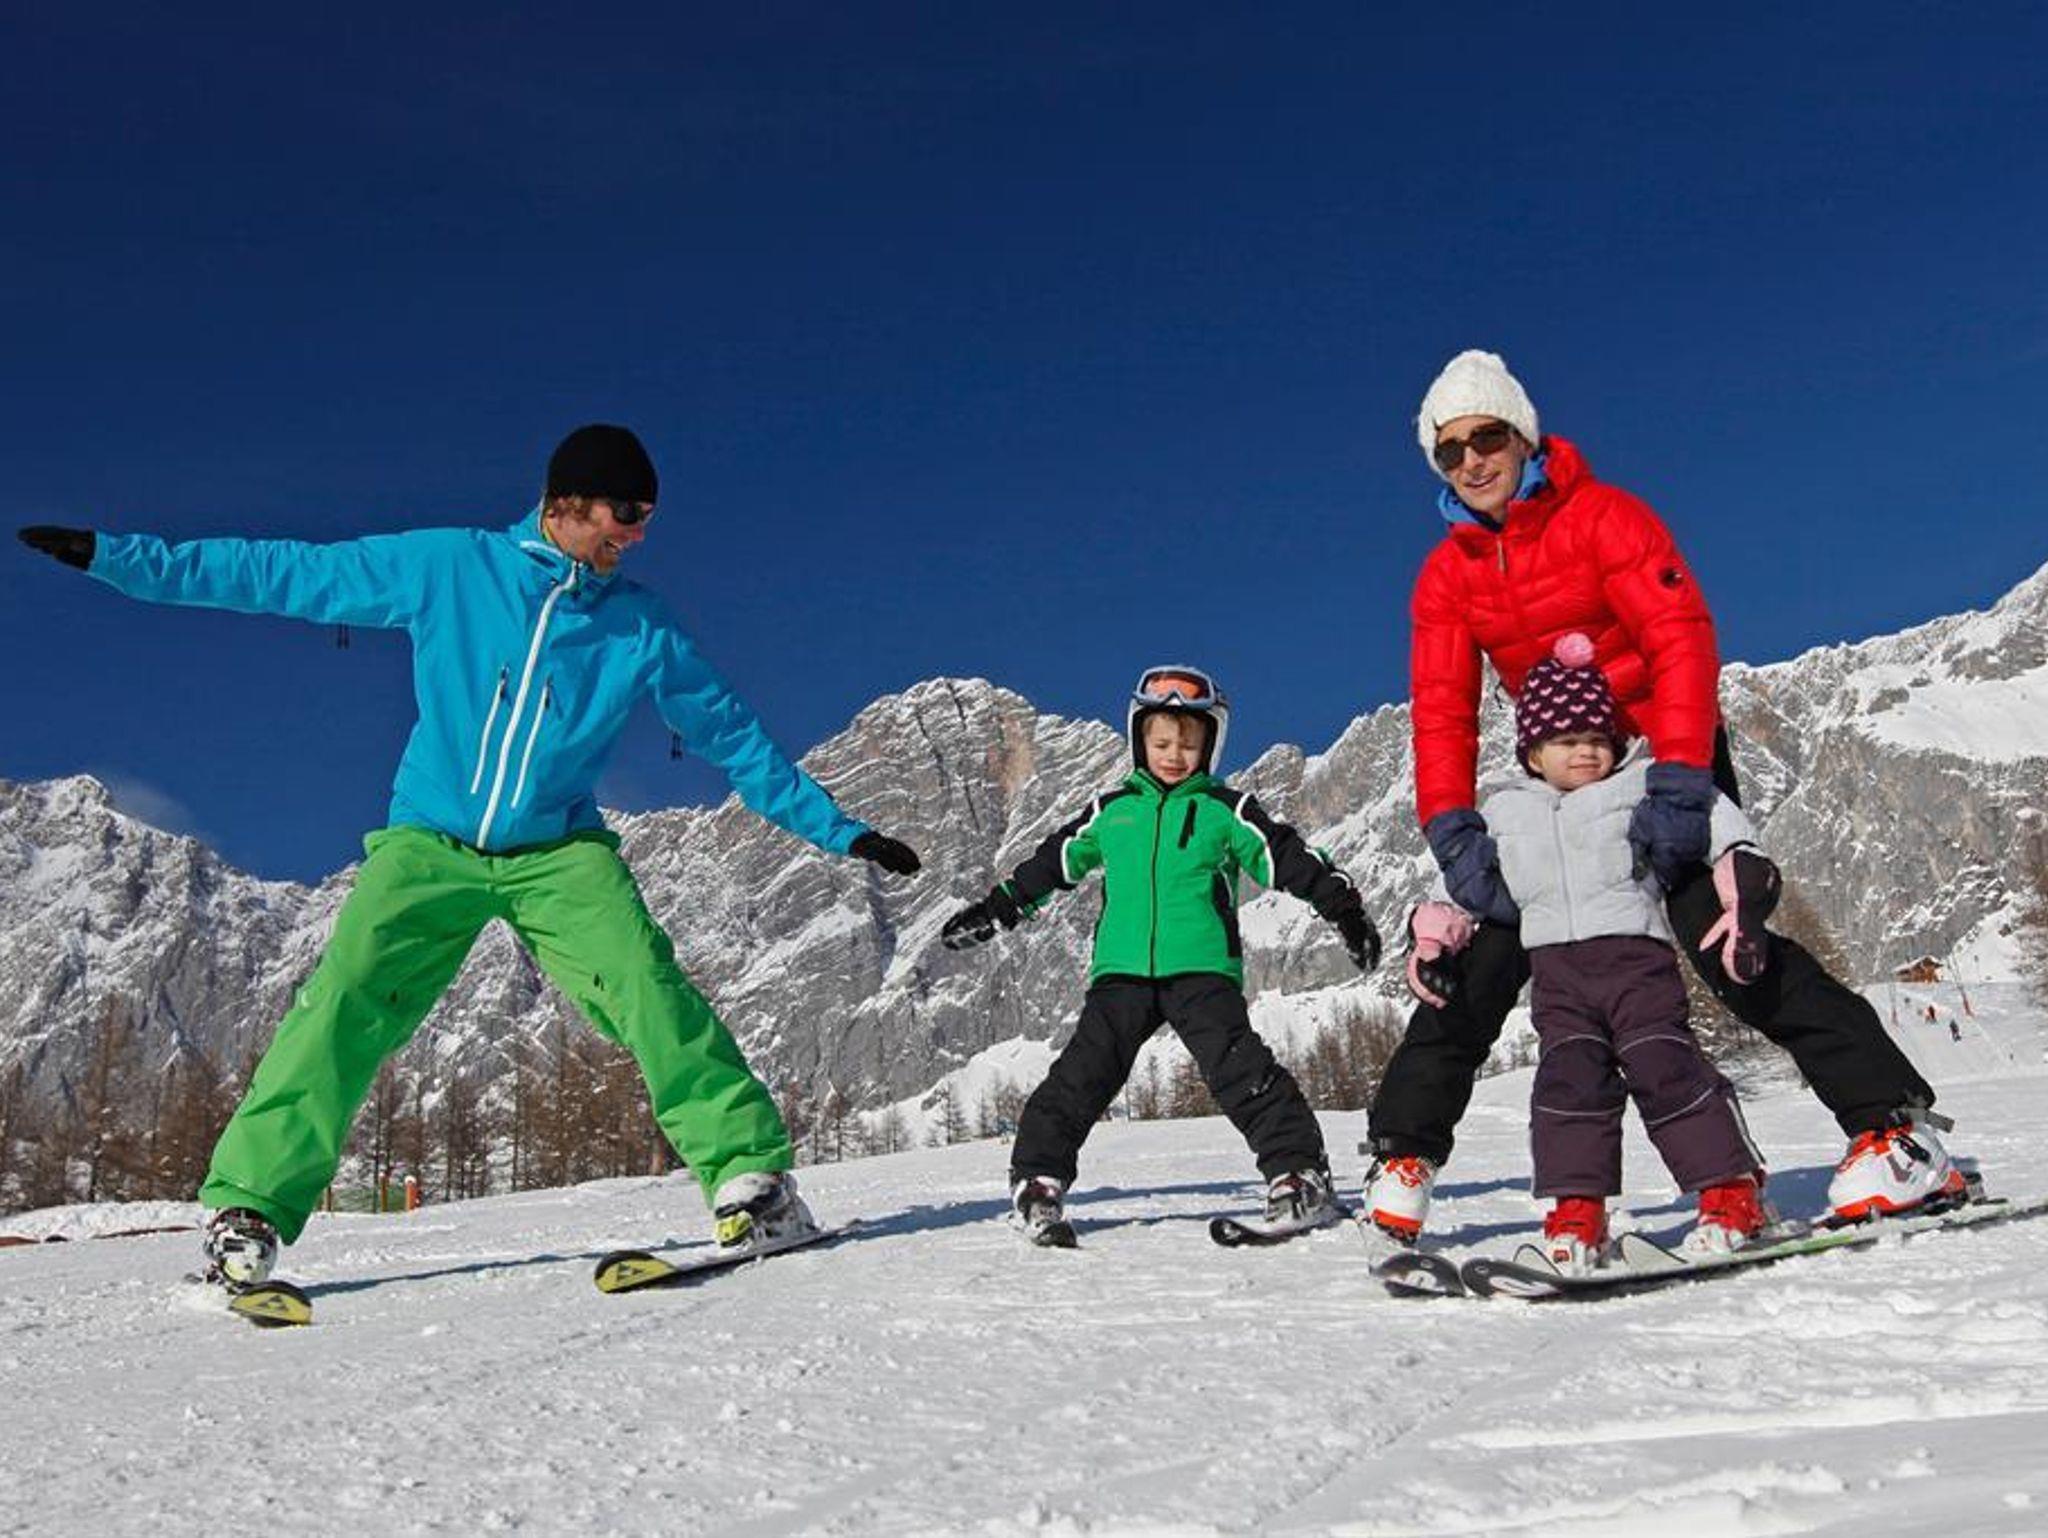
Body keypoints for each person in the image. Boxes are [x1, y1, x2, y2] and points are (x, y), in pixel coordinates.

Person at [17, 424, 922, 1288]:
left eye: (648, 517)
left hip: (558, 852)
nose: (638, 535)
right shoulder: (451, 566)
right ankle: (247, 1209)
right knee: (344, 1000)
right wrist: (117, 559)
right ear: (566, 502)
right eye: (625, 514)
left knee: (648, 986)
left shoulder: (641, 627)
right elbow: (286, 572)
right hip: (429, 845)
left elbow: (736, 741)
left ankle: (752, 1182)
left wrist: (840, 830)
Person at [1363, 351, 1967, 1240]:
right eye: (1449, 452)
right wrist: (1453, 829)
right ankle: (1403, 1151)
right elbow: (1442, 711)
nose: (1471, 461)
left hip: (1659, 753)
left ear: (1523, 437)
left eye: (1486, 437)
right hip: (1558, 776)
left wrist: (1683, 780)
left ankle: (1897, 1131)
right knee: (1488, 954)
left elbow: (1679, 638)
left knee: (1726, 941)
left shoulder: (1605, 518)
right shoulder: (1447, 576)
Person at [939, 666, 1382, 1245]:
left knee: (1240, 1069)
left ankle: (1298, 1173)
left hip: (1201, 968)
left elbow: (1288, 857)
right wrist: (998, 909)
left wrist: (1343, 908)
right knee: (1082, 1074)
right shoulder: (1112, 811)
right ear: (1140, 740)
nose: (1175, 755)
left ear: (1210, 746)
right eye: (1163, 742)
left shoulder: (1226, 810)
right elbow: (1051, 864)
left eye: (1189, 744)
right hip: (1121, 973)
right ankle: (1038, 1181)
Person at [1407, 635, 1774, 1273]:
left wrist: (1742, 872)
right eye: (1567, 739)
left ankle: (1731, 1193)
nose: (1587, 750)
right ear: (1533, 752)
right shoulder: (1507, 813)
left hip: (1636, 966)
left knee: (1665, 1067)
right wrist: (1436, 936)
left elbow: (1710, 814)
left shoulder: (1638, 786)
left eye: (1598, 738)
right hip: (1558, 981)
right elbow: (1466, 886)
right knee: (1568, 1087)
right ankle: (1578, 1212)